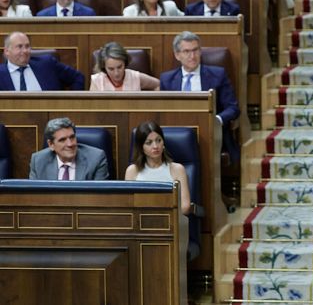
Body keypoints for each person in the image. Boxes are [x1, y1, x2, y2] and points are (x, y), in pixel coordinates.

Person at [160, 31, 241, 161]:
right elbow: (163, 113)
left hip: (210, 134)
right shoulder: (167, 79)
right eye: (186, 51)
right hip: (178, 135)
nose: (192, 56)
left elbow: (233, 108)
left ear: (200, 51)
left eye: (195, 50)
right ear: (177, 55)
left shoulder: (218, 74)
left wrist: (217, 120)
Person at [125, 121, 191, 214]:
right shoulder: (132, 171)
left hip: (171, 221)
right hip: (141, 221)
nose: (155, 146)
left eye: (158, 140)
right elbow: (129, 205)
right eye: (149, 143)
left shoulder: (177, 169)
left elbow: (185, 207)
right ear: (141, 147)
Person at [29, 118, 109, 180]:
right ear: (51, 144)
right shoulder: (38, 161)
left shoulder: (96, 159)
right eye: (62, 140)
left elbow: (98, 197)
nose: (70, 144)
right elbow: (33, 195)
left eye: (72, 137)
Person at [0, 32, 85, 91]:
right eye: (19, 47)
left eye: (27, 46)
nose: (25, 51)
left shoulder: (47, 64)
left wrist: (70, 105)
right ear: (7, 51)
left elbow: (78, 77)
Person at [90, 41, 160, 91]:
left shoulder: (135, 77)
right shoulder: (97, 81)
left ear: (125, 62)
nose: (116, 73)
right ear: (104, 67)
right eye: (111, 69)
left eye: (119, 67)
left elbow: (159, 85)